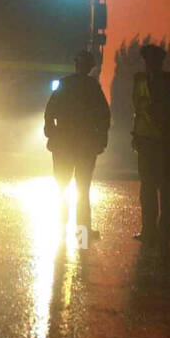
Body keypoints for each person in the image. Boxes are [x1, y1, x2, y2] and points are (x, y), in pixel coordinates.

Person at [44, 49, 110, 239]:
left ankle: (61, 227)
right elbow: (104, 115)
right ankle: (83, 231)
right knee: (82, 187)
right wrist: (101, 138)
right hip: (84, 146)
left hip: (63, 144)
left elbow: (50, 111)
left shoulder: (65, 84)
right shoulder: (92, 87)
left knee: (62, 185)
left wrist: (51, 133)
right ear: (90, 67)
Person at [132, 43, 170, 255]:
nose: (149, 64)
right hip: (146, 141)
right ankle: (149, 229)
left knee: (163, 187)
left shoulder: (169, 84)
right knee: (148, 188)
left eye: (152, 60)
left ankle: (162, 229)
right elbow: (137, 110)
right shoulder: (140, 80)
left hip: (163, 142)